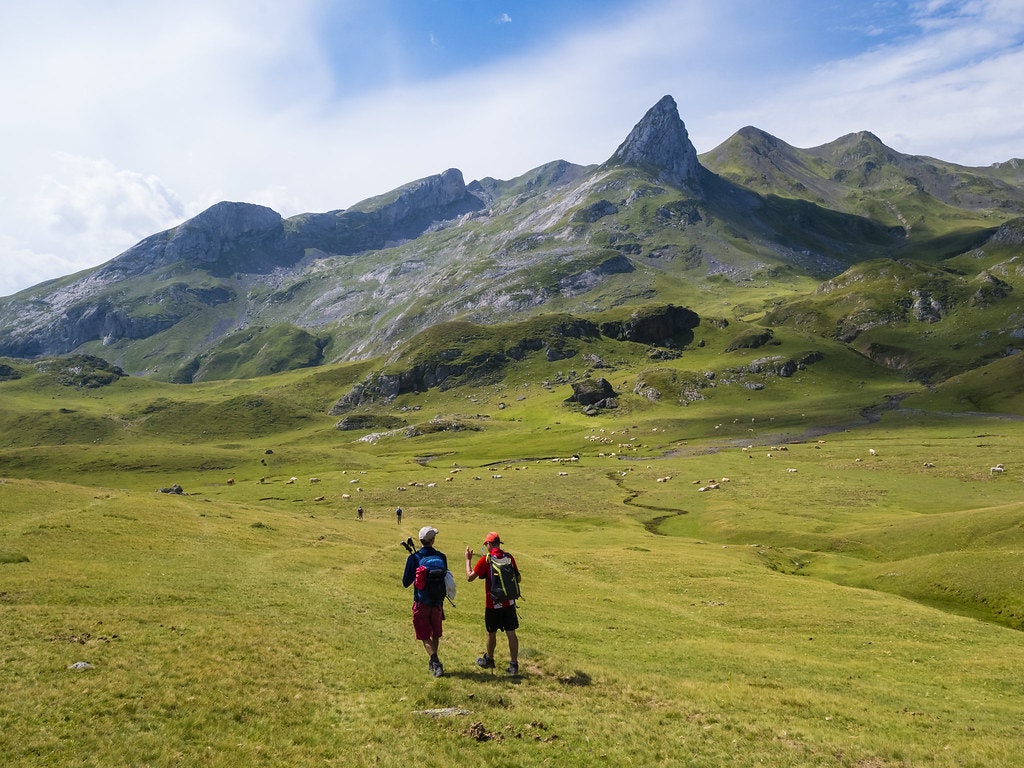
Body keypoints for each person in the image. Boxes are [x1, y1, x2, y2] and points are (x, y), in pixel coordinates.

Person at [465, 531, 521, 676]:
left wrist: (468, 560)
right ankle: (514, 664)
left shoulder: (486, 560)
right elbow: (518, 578)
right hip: (509, 602)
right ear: (499, 543)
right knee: (511, 633)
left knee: (491, 633)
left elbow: (470, 577)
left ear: (489, 544)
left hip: (493, 604)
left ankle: (489, 659)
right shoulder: (509, 557)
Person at [402, 526, 448, 677]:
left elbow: (405, 582)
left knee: (423, 635)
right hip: (438, 602)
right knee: (435, 633)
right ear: (432, 540)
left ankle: (435, 661)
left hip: (421, 602)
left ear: (420, 540)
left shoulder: (414, 558)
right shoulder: (441, 557)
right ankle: (433, 661)